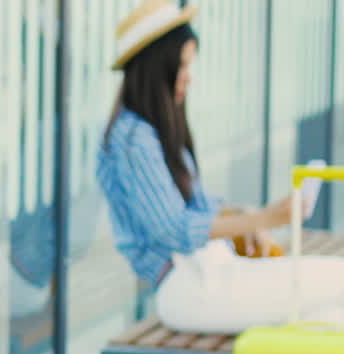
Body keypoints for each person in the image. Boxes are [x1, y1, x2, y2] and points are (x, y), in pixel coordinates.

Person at [98, 0, 344, 334]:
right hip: (189, 288)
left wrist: (241, 217)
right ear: (159, 68)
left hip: (208, 274)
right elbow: (174, 229)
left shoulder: (153, 130)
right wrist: (267, 217)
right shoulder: (132, 138)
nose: (189, 78)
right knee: (334, 284)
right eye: (183, 67)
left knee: (330, 315)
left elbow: (195, 206)